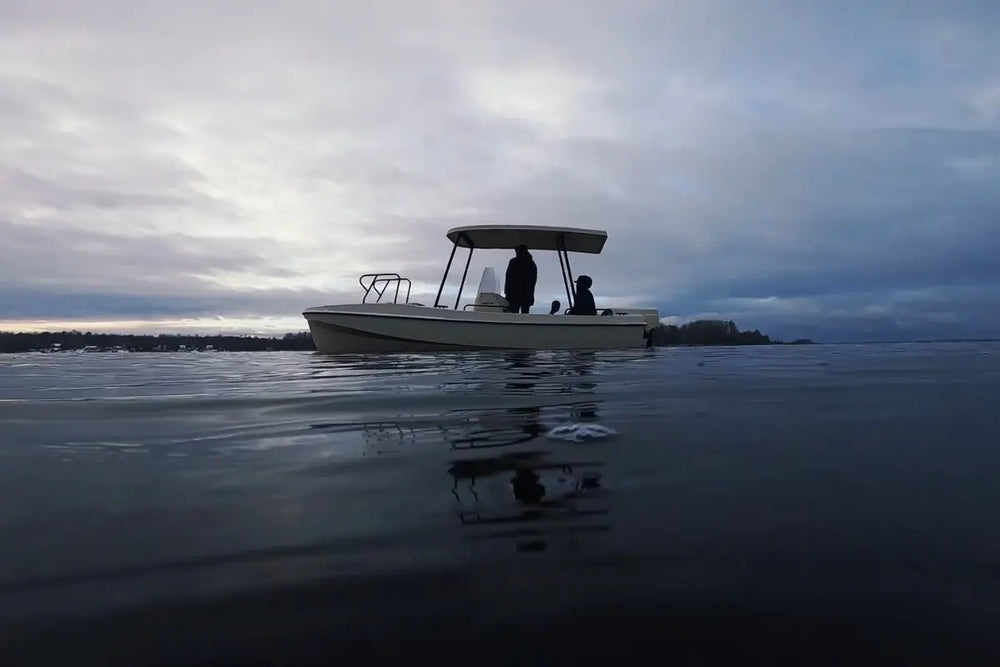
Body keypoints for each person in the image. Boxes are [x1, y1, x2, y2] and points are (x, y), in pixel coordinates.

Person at [504, 244, 537, 313]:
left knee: (513, 315)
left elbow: (508, 277)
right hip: (527, 294)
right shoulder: (531, 263)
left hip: (513, 294)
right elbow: (533, 280)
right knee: (525, 315)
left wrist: (507, 292)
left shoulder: (513, 262)